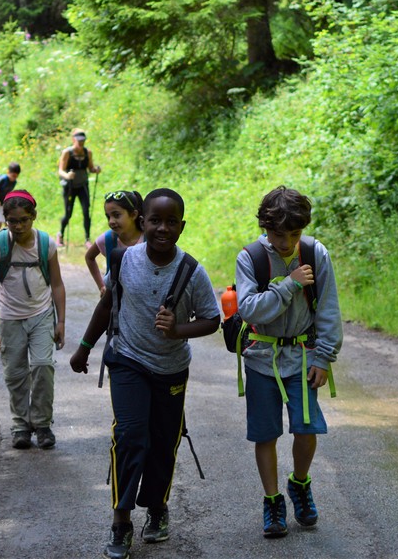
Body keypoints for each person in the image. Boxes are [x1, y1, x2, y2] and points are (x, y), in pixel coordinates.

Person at [70, 188, 221, 559]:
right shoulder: (123, 260)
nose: (162, 228)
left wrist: (177, 331)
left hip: (170, 369)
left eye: (171, 222)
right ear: (143, 221)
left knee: (163, 441)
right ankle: (121, 521)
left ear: (182, 227)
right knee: (130, 434)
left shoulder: (192, 271)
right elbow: (108, 304)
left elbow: (212, 319)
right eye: (155, 220)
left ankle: (157, 509)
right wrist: (85, 347)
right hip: (127, 360)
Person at [234, 186, 342, 539]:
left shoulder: (315, 253)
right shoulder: (250, 257)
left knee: (307, 427)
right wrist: (290, 285)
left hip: (303, 357)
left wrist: (323, 356)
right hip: (262, 358)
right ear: (265, 227)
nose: (286, 242)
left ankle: (299, 484)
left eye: (294, 234)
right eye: (279, 234)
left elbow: (328, 308)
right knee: (265, 434)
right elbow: (248, 309)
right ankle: (272, 500)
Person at [0, 189, 66, 450]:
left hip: (41, 316)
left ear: (34, 217)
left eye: (24, 220)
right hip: (9, 319)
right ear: (4, 220)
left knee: (42, 365)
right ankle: (20, 425)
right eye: (12, 221)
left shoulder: (46, 245)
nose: (18, 226)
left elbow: (58, 285)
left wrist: (60, 322)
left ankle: (42, 424)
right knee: (16, 374)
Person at [84, 190, 144, 296]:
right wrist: (102, 286)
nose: (111, 221)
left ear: (133, 214)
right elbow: (89, 257)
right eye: (108, 216)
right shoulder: (108, 239)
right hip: (115, 303)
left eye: (116, 215)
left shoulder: (148, 239)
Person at [57, 128, 101, 249]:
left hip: (83, 186)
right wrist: (67, 175)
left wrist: (95, 170)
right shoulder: (67, 152)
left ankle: (87, 238)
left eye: (83, 140)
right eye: (79, 140)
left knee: (86, 211)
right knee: (68, 213)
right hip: (70, 187)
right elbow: (60, 170)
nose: (81, 143)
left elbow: (90, 168)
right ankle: (60, 234)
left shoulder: (88, 152)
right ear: (73, 140)